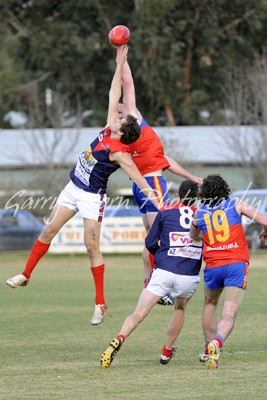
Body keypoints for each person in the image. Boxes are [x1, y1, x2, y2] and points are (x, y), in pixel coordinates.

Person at [6, 45, 160, 326]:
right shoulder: (108, 126)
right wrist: (119, 64)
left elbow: (137, 176)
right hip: (72, 188)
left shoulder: (120, 152)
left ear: (123, 131)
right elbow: (115, 92)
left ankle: (100, 304)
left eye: (123, 118)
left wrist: (155, 198)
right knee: (49, 229)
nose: (119, 114)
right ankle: (26, 275)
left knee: (91, 247)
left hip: (91, 197)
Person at [117, 46, 202, 304]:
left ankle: (157, 283)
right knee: (154, 239)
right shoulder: (124, 134)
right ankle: (157, 284)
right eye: (118, 111)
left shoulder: (132, 125)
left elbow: (127, 83)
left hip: (147, 185)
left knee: (154, 238)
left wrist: (122, 58)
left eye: (121, 109)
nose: (121, 108)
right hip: (146, 186)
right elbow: (127, 85)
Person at [100, 180, 202, 368]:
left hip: (163, 271)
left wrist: (161, 256)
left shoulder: (165, 211)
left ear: (177, 196)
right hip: (188, 274)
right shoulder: (201, 216)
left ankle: (119, 338)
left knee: (138, 313)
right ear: (195, 200)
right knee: (180, 308)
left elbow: (150, 242)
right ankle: (166, 352)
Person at [190, 174, 267, 369]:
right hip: (235, 265)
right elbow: (264, 220)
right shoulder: (236, 204)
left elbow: (194, 236)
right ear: (225, 189)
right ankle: (218, 342)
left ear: (203, 193)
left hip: (213, 266)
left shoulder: (199, 213)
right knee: (229, 313)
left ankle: (209, 350)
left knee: (209, 304)